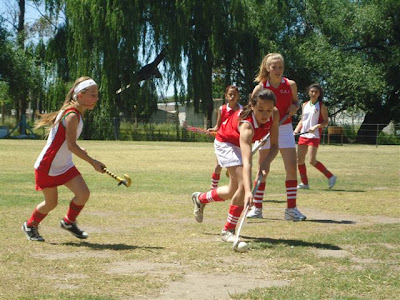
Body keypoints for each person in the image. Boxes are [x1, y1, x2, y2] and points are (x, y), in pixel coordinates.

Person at [22, 77, 106, 242]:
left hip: (64, 164)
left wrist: (79, 149)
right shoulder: (72, 115)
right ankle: (30, 225)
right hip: (48, 165)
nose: (96, 99)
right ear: (80, 95)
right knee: (51, 203)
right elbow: (71, 146)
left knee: (83, 194)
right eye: (93, 95)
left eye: (96, 95)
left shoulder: (75, 113)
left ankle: (68, 222)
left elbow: (65, 142)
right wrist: (93, 162)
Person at [191, 89, 279, 242]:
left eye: (269, 110)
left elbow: (275, 146)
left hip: (238, 143)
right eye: (260, 110)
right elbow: (247, 162)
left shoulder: (275, 114)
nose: (265, 115)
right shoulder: (247, 127)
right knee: (241, 185)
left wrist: (265, 164)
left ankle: (200, 198)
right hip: (225, 142)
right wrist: (248, 191)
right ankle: (228, 230)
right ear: (252, 106)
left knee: (232, 191)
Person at [247, 53, 306, 221]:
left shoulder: (291, 85)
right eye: (274, 67)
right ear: (267, 68)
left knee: (291, 167)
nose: (278, 70)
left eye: (280, 67)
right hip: (265, 129)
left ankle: (291, 209)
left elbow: (296, 102)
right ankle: (257, 208)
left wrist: (295, 108)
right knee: (262, 169)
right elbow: (251, 109)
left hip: (285, 128)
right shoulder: (260, 88)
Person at [294, 83, 337, 189]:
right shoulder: (304, 105)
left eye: (316, 92)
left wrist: (316, 127)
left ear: (319, 94)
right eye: (312, 91)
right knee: (299, 160)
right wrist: (295, 131)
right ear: (309, 92)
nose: (313, 94)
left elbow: (325, 121)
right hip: (303, 135)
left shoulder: (321, 106)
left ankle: (331, 176)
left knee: (312, 160)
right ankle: (305, 183)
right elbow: (302, 120)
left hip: (314, 136)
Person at [207, 85, 242, 189]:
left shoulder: (241, 109)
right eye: (230, 94)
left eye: (234, 95)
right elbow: (218, 126)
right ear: (226, 96)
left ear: (238, 96)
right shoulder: (222, 109)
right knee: (218, 165)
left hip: (237, 142)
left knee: (237, 165)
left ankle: (236, 187)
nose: (232, 97)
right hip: (224, 142)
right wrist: (212, 130)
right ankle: (214, 186)